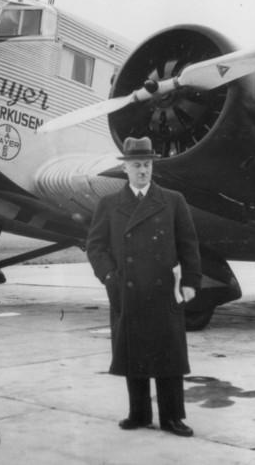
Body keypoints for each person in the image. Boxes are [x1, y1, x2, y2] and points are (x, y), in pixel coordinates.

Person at [87, 137, 201, 437]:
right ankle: (138, 413)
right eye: (136, 165)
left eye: (147, 165)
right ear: (125, 168)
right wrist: (110, 277)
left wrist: (190, 282)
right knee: (132, 353)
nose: (142, 171)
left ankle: (172, 417)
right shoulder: (109, 204)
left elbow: (189, 245)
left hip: (164, 291)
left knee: (169, 356)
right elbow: (95, 246)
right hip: (128, 289)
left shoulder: (173, 200)